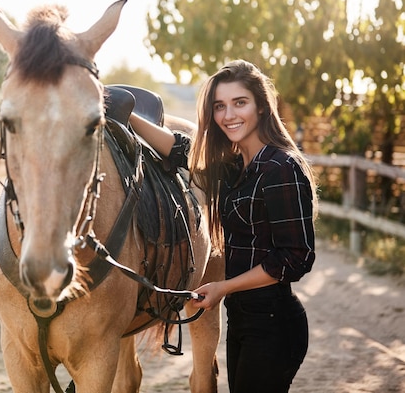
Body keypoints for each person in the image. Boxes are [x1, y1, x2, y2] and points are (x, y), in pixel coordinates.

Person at [129, 59, 318, 393]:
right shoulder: (236, 166)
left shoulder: (280, 168)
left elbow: (295, 258)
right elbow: (180, 151)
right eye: (220, 106)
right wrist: (127, 114)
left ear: (261, 107)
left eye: (239, 103)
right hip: (243, 319)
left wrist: (223, 287)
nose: (229, 115)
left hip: (274, 322)